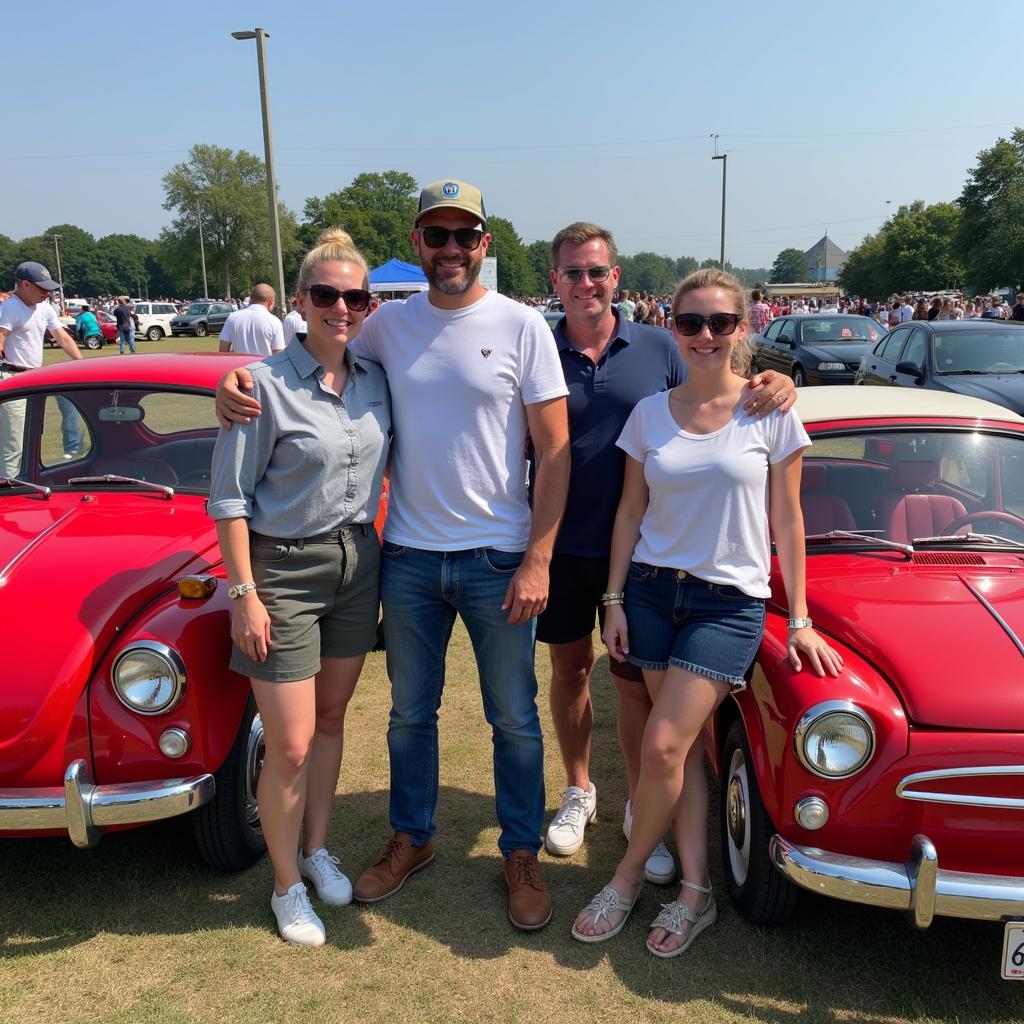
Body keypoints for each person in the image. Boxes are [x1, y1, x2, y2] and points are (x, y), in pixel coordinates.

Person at [216, 179, 570, 931]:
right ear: (416, 245)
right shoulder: (386, 327)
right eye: (435, 236)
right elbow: (310, 358)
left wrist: (539, 555)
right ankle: (411, 837)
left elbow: (557, 448)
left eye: (463, 236)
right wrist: (233, 381)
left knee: (513, 715)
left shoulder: (521, 326)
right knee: (410, 714)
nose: (449, 250)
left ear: (485, 244)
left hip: (499, 558)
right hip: (406, 556)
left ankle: (519, 851)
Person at [571, 268, 841, 957]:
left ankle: (628, 877)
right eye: (691, 322)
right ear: (674, 328)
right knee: (680, 750)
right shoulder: (649, 414)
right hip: (652, 595)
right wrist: (613, 598)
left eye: (720, 322)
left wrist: (801, 617)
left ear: (741, 329)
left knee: (662, 745)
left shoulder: (773, 410)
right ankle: (696, 890)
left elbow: (788, 517)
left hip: (728, 604)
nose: (705, 335)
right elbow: (631, 511)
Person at [538, 223, 796, 888]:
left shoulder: (660, 345)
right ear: (555, 281)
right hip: (565, 544)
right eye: (572, 273)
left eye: (596, 271)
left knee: (638, 702)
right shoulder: (534, 346)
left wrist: (779, 383)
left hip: (647, 556)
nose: (585, 283)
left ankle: (638, 809)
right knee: (570, 672)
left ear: (615, 277)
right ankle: (580, 789)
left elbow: (721, 398)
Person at [208, 229, 390, 947]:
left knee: (335, 718)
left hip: (357, 564)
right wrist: (243, 593)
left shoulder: (377, 378)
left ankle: (316, 849)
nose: (341, 308)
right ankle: (286, 885)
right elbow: (229, 500)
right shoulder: (260, 385)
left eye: (355, 297)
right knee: (288, 742)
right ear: (301, 302)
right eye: (326, 295)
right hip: (281, 570)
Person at [0, 262, 84, 476]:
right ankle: (7, 497)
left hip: (34, 380)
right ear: (25, 284)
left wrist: (83, 365)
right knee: (13, 447)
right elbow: (0, 336)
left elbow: (63, 337)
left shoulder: (45, 308)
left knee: (33, 439)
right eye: (42, 288)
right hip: (12, 378)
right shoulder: (9, 308)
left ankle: (26, 487)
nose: (47, 293)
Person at [219, 284, 286, 356]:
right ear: (271, 301)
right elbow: (279, 353)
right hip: (264, 366)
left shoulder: (233, 317)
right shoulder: (275, 322)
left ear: (251, 298)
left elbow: (223, 350)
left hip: (239, 366)